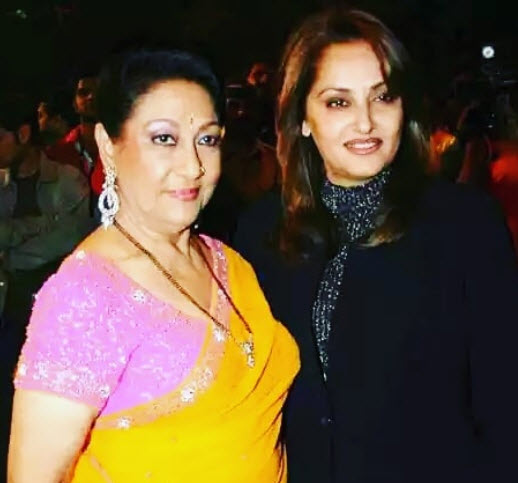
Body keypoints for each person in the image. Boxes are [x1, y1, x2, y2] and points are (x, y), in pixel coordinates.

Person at [233, 8, 518, 483]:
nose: (365, 122)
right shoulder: (261, 231)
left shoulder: (464, 225)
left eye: (383, 97)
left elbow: (505, 401)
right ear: (302, 118)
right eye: (338, 102)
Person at [8, 48, 299, 483]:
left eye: (207, 139)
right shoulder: (85, 297)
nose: (192, 166)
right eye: (164, 138)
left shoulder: (227, 260)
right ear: (109, 146)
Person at [0, 93, 92, 478]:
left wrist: (11, 240)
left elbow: (67, 241)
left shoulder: (66, 179)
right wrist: (39, 225)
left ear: (23, 134)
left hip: (54, 315)